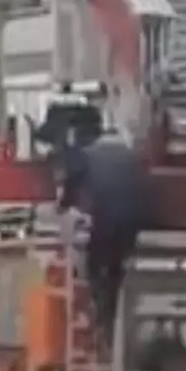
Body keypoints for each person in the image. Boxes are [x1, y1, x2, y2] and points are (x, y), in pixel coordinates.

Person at [59, 132, 150, 352]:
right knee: (117, 264)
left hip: (107, 214)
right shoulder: (132, 156)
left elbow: (73, 181)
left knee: (95, 262)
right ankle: (113, 311)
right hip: (136, 218)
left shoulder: (86, 155)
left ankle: (100, 314)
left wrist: (63, 205)